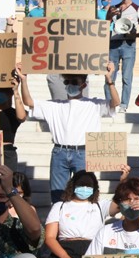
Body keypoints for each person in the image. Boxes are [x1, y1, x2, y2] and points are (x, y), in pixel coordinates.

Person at [19, 62, 119, 203]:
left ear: (83, 84)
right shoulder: (55, 105)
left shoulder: (94, 104)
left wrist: (109, 80)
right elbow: (29, 102)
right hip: (60, 152)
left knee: (85, 192)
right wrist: (23, 80)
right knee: (58, 194)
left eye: (74, 81)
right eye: (67, 81)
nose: (70, 84)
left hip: (84, 152)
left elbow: (115, 103)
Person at [44, 171, 114, 258]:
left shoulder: (99, 206)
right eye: (81, 185)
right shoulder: (59, 206)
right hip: (67, 248)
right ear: (73, 185)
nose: (85, 189)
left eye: (89, 186)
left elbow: (119, 204)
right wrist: (64, 256)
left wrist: (123, 178)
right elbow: (50, 237)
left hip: (93, 249)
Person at [106, 0, 139, 112]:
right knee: (109, 75)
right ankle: (109, 104)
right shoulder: (114, 8)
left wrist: (132, 35)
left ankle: (123, 105)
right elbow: (105, 25)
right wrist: (110, 15)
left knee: (126, 77)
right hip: (113, 44)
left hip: (128, 45)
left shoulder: (137, 9)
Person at [0, 65, 27, 171]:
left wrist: (16, 90)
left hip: (7, 152)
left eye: (3, 91)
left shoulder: (13, 113)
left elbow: (22, 117)